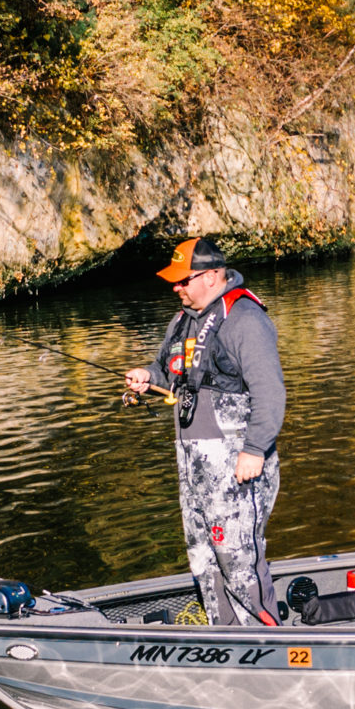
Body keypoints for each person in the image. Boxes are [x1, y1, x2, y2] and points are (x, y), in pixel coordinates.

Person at [123, 237, 287, 625]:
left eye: (184, 280)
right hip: (195, 470)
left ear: (212, 276)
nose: (176, 288)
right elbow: (170, 369)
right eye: (174, 282)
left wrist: (255, 450)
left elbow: (270, 390)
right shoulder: (183, 320)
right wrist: (149, 376)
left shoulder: (245, 319)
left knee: (240, 557)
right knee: (203, 555)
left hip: (237, 467)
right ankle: (225, 638)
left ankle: (270, 643)